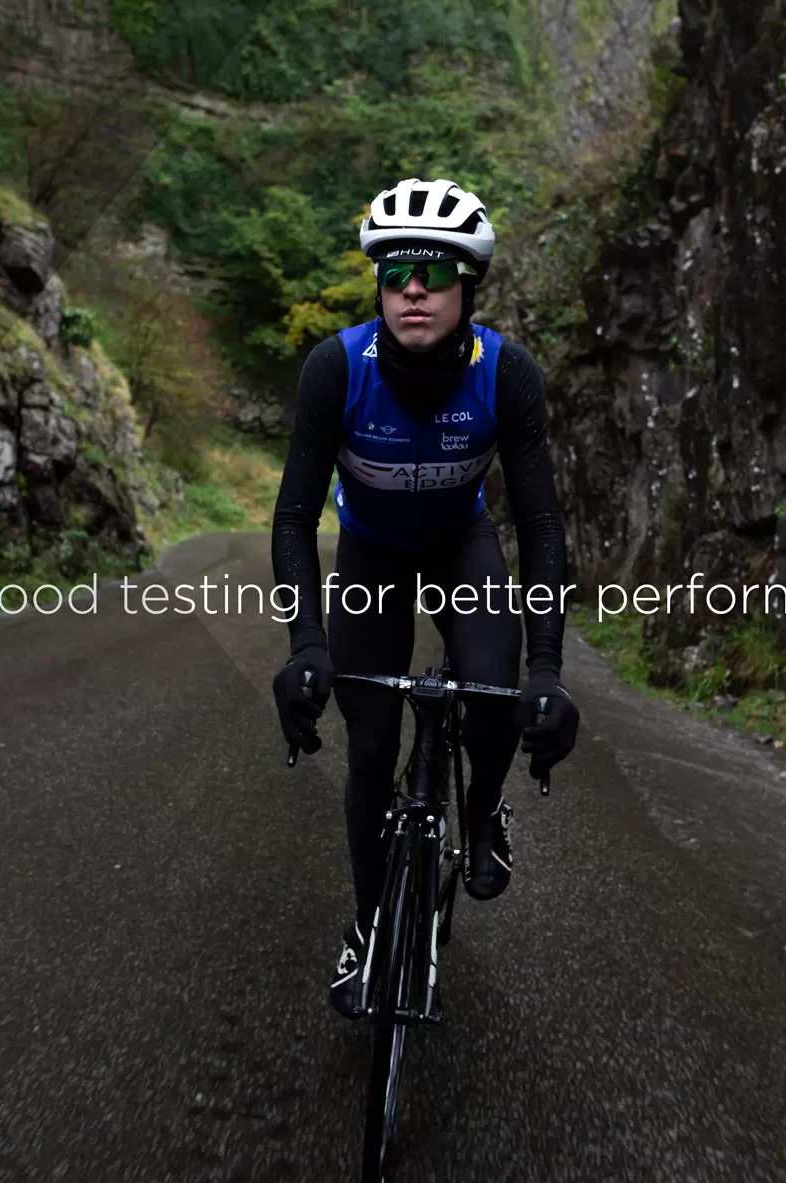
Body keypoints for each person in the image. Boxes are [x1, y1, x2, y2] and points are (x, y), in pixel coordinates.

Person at [269, 178, 580, 1018]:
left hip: (460, 545)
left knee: (496, 702)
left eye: (436, 273)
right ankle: (371, 933)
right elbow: (296, 514)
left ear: (467, 289)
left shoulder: (506, 374)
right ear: (378, 282)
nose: (414, 287)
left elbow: (543, 524)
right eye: (398, 269)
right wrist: (305, 648)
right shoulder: (336, 368)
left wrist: (547, 670)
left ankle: (481, 818)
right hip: (370, 554)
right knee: (369, 747)